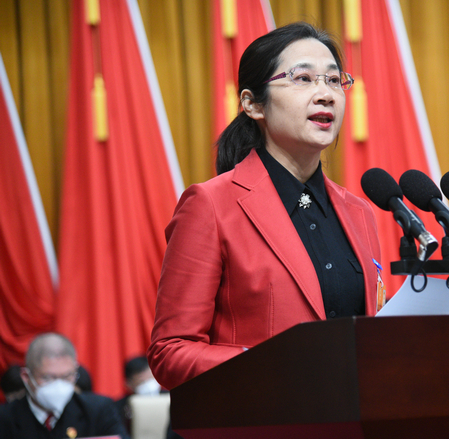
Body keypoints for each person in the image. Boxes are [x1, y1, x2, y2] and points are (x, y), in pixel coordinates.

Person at [148, 22, 382, 390]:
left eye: (334, 80)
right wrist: (275, 366)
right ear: (252, 104)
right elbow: (171, 352)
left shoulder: (360, 212)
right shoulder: (211, 205)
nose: (325, 94)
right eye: (303, 78)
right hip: (262, 414)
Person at [0, 332, 129, 439]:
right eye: (48, 378)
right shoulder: (5, 418)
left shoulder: (98, 410)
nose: (58, 385)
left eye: (67, 376)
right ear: (26, 377)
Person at [115, 355, 162, 434]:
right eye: (143, 382)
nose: (149, 385)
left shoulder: (171, 399)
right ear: (128, 384)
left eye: (151, 379)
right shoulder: (118, 408)